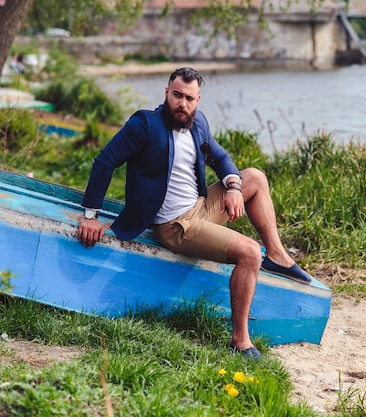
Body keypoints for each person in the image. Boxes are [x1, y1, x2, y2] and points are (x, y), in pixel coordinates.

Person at [77, 67, 313, 360]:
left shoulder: (198, 123)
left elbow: (221, 157)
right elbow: (104, 162)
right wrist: (91, 215)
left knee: (255, 177)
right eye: (177, 95)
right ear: (166, 93)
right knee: (251, 252)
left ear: (198, 99)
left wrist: (233, 186)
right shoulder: (145, 125)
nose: (182, 104)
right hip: (175, 226)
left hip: (201, 209)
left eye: (189, 98)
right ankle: (240, 341)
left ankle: (277, 256)